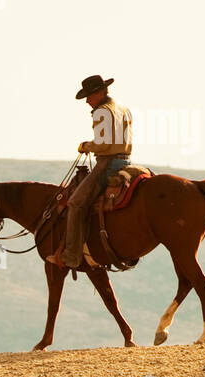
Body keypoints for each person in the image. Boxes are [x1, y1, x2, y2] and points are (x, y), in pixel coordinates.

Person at [60, 75, 133, 269]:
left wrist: (86, 146)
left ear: (99, 93)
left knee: (75, 203)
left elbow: (103, 144)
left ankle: (71, 257)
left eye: (89, 96)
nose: (87, 101)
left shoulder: (101, 111)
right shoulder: (123, 108)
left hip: (107, 165)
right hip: (126, 161)